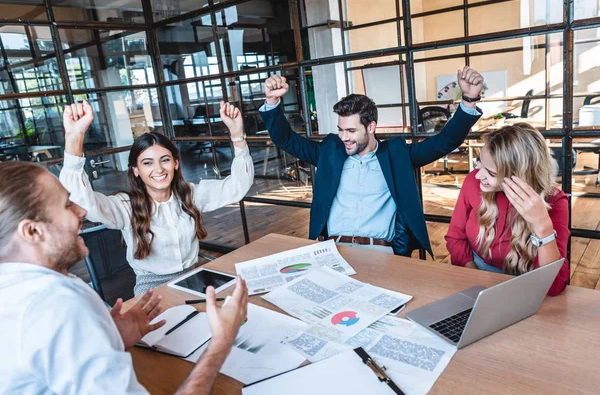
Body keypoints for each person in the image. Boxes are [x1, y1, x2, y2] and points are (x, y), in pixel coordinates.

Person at [0, 161, 249, 394]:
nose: (82, 210)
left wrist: (107, 335)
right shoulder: (59, 305)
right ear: (32, 231)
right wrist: (221, 342)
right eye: (67, 205)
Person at [259, 67, 483, 256]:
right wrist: (272, 101)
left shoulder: (396, 155)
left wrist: (469, 100)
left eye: (351, 130)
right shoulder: (329, 151)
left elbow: (444, 141)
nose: (344, 137)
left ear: (371, 127)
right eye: (340, 130)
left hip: (382, 253)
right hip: (333, 250)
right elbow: (286, 139)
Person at [59, 100, 254, 295]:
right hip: (151, 289)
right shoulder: (125, 207)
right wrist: (74, 138)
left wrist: (237, 135)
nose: (159, 169)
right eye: (147, 163)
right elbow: (82, 201)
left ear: (176, 163)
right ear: (136, 170)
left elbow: (238, 186)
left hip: (193, 278)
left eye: (165, 160)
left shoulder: (190, 194)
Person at [445, 123, 569, 295]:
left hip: (526, 285)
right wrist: (474, 280)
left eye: (491, 173)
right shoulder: (474, 181)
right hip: (474, 272)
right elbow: (455, 237)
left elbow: (554, 286)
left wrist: (543, 226)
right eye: (479, 163)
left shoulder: (555, 201)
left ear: (520, 175)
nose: (478, 175)